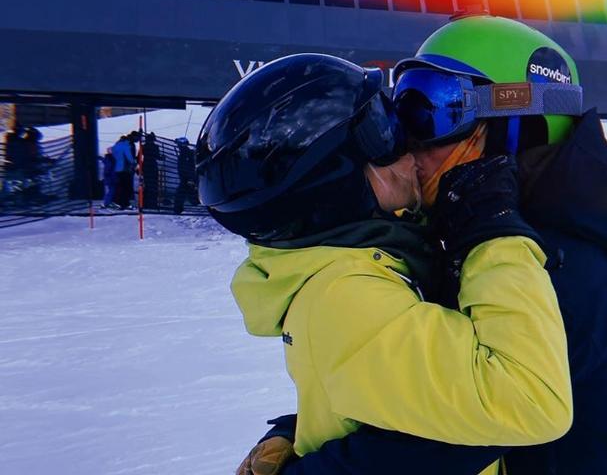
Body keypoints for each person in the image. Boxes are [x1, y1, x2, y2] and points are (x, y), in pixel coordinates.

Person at [254, 15, 607, 475]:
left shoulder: (554, 272)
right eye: (400, 107)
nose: (405, 143)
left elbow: (424, 449)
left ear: (514, 132)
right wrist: (298, 427)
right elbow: (429, 385)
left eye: (432, 110)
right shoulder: (482, 247)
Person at [196, 53, 573, 475]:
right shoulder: (347, 295)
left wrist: (301, 430)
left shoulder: (339, 267)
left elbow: (375, 389)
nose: (413, 155)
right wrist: (494, 231)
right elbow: (531, 398)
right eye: (390, 140)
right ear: (335, 185)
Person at [112, 134, 135, 209]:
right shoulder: (125, 146)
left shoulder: (116, 146)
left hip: (118, 168)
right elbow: (129, 157)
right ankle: (125, 203)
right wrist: (133, 163)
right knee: (126, 187)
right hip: (125, 169)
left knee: (120, 186)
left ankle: (118, 202)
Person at [173, 137, 195, 214]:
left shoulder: (186, 153)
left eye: (179, 145)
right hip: (185, 177)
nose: (178, 147)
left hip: (187, 178)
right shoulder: (184, 153)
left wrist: (190, 178)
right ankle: (195, 202)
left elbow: (189, 166)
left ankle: (178, 209)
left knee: (181, 193)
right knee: (189, 193)